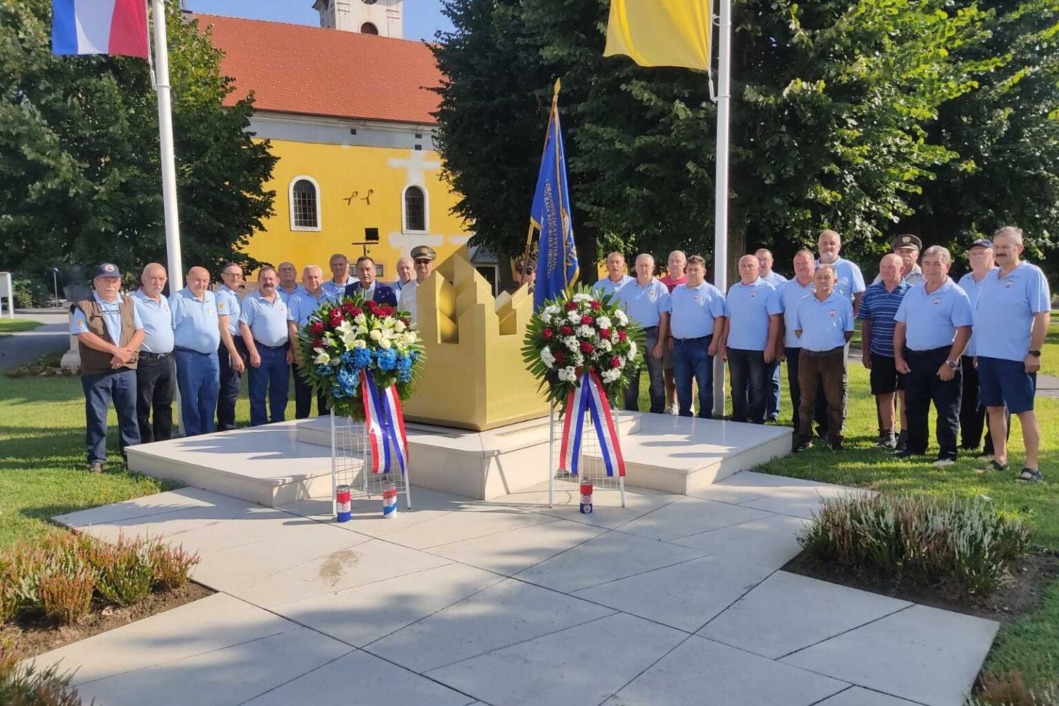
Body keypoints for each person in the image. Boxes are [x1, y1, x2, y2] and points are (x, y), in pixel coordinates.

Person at [974, 226, 1051, 482]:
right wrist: (979, 351)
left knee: (1023, 411)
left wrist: (1034, 352)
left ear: (1019, 248)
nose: (1000, 251)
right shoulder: (990, 278)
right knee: (994, 409)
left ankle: (1032, 467)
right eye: (996, 247)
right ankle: (1000, 458)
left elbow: (1042, 315)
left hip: (1016, 358)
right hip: (987, 357)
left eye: (1006, 247)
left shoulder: (1032, 274)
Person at [893, 246, 973, 466]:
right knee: (914, 406)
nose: (931, 269)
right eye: (927, 263)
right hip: (914, 357)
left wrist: (951, 362)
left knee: (947, 409)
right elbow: (901, 326)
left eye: (937, 264)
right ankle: (915, 447)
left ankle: (947, 453)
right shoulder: (913, 292)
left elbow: (964, 330)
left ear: (947, 266)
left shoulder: (956, 294)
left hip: (943, 357)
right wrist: (898, 357)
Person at [72, 263, 144, 473]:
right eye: (105, 280)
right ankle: (97, 459)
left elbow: (140, 332)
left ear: (120, 282)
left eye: (114, 280)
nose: (111, 284)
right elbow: (84, 335)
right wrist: (115, 351)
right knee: (97, 415)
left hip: (126, 369)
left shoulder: (129, 303)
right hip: (97, 371)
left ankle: (132, 454)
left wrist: (126, 352)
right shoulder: (83, 305)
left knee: (129, 413)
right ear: (96, 282)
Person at [793, 264, 855, 451]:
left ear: (835, 281)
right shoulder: (802, 302)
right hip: (808, 357)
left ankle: (835, 439)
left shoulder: (843, 303)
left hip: (833, 358)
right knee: (806, 400)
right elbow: (798, 330)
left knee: (835, 400)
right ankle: (805, 438)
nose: (823, 281)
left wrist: (830, 344)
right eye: (819, 277)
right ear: (813, 280)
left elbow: (848, 331)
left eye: (827, 277)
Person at [957, 239, 1006, 458]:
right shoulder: (964, 281)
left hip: (992, 350)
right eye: (973, 253)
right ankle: (969, 441)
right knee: (968, 398)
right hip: (965, 350)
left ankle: (993, 447)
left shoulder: (1000, 278)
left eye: (982, 253)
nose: (977, 257)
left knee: (994, 401)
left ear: (992, 256)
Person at [815, 229, 866, 437]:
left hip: (839, 334)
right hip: (815, 334)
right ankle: (821, 423)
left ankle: (837, 423)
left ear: (839, 246)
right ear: (818, 246)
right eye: (824, 243)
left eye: (832, 244)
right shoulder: (813, 267)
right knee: (816, 379)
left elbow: (860, 295)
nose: (828, 247)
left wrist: (851, 318)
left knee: (837, 379)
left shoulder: (849, 268)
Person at [858, 254, 911, 450]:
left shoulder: (912, 292)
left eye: (890, 267)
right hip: (880, 352)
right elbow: (865, 323)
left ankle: (905, 435)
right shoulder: (871, 292)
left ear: (901, 269)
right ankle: (888, 435)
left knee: (906, 394)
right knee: (884, 394)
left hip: (907, 353)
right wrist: (865, 352)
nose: (885, 270)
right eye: (883, 267)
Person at [723, 255, 781, 424]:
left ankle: (757, 420)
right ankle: (739, 418)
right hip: (735, 347)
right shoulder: (733, 290)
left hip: (758, 348)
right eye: (743, 266)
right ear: (738, 268)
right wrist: (723, 343)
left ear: (758, 268)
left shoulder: (768, 289)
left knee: (758, 386)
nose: (746, 269)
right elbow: (728, 319)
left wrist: (771, 345)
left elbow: (775, 320)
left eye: (750, 265)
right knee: (737, 387)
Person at [668, 255, 726, 418]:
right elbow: (673, 314)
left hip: (702, 344)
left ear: (704, 271)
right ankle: (685, 414)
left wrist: (715, 343)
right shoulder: (677, 291)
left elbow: (719, 319)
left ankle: (705, 415)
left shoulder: (712, 293)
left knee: (705, 383)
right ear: (686, 271)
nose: (693, 272)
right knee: (681, 384)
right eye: (690, 269)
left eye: (696, 269)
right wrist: (671, 336)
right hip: (680, 345)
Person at [171, 266, 223, 437]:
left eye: (205, 280)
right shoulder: (178, 299)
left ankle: (207, 432)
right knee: (190, 398)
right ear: (187, 279)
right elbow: (169, 326)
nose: (201, 284)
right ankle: (193, 434)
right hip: (188, 356)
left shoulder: (211, 297)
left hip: (211, 356)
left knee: (210, 396)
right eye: (197, 280)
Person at [616, 254, 671, 413]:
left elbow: (664, 318)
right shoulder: (625, 289)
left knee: (656, 377)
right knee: (631, 375)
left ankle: (657, 412)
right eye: (641, 265)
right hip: (631, 335)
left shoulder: (660, 288)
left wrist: (661, 343)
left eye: (647, 265)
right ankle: (631, 410)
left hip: (653, 334)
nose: (644, 269)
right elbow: (620, 315)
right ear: (635, 267)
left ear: (653, 268)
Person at [240, 267, 292, 426]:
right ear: (259, 281)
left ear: (277, 280)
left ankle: (278, 423)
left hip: (282, 352)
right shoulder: (251, 300)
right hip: (260, 351)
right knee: (258, 392)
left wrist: (291, 349)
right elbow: (244, 326)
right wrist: (253, 352)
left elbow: (291, 325)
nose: (268, 282)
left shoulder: (284, 299)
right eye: (264, 279)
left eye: (271, 279)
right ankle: (259, 426)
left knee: (280, 392)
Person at [130, 263, 175, 444]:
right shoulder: (133, 301)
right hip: (146, 361)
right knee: (143, 405)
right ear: (143, 279)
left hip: (167, 360)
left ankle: (163, 441)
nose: (157, 282)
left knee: (164, 405)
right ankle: (145, 443)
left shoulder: (164, 300)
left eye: (161, 279)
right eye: (153, 278)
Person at [776, 250, 816, 433]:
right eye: (797, 264)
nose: (801, 267)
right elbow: (780, 319)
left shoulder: (822, 284)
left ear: (813, 264)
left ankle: (823, 424)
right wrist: (779, 344)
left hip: (818, 347)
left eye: (805, 263)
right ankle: (799, 422)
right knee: (796, 385)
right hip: (793, 346)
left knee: (820, 387)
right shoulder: (785, 288)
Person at [288, 265, 330, 419]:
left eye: (316, 277)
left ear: (322, 279)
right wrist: (298, 352)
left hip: (326, 351)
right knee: (303, 392)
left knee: (325, 392)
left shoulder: (331, 297)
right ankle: (301, 423)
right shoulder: (296, 298)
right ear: (303, 280)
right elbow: (293, 326)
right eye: (309, 278)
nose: (313, 280)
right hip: (304, 350)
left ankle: (324, 423)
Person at [214, 262, 246, 431]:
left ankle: (227, 423)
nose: (235, 278)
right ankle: (226, 426)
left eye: (238, 275)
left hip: (236, 342)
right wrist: (233, 353)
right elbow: (223, 327)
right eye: (231, 274)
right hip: (228, 343)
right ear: (223, 276)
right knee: (230, 386)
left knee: (232, 385)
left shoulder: (234, 295)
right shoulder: (222, 296)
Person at [756, 248, 786, 421]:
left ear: (771, 261)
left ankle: (772, 411)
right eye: (758, 259)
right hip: (754, 339)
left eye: (764, 259)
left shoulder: (781, 283)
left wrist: (779, 342)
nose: (761, 263)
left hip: (774, 336)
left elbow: (782, 315)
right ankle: (755, 409)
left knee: (772, 377)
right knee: (755, 378)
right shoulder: (749, 279)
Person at [659, 250, 688, 415]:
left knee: (686, 373)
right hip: (666, 334)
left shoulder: (689, 282)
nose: (675, 264)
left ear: (684, 263)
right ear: (667, 264)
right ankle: (672, 404)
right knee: (668, 371)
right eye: (672, 261)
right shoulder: (661, 284)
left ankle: (688, 404)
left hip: (684, 334)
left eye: (678, 260)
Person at [398, 245, 436, 324]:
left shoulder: (439, 286)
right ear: (414, 265)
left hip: (434, 333)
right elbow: (400, 314)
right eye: (418, 261)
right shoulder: (406, 288)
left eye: (426, 261)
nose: (422, 264)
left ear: (432, 265)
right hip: (412, 334)